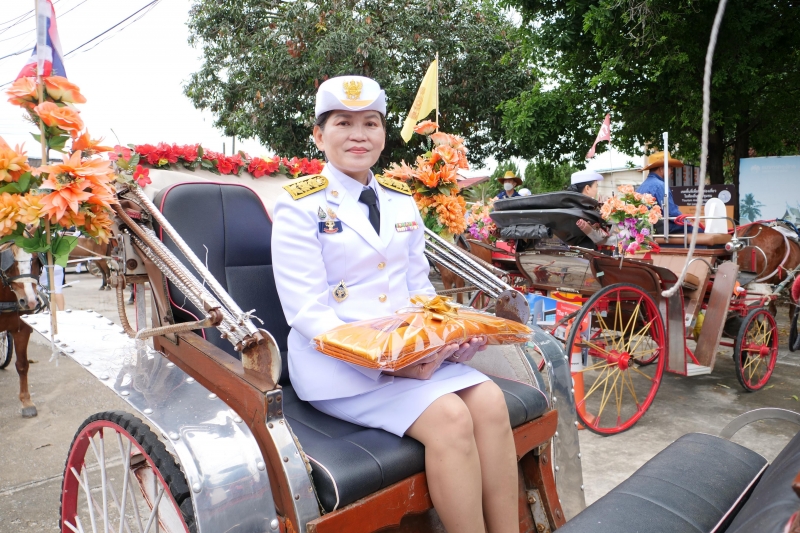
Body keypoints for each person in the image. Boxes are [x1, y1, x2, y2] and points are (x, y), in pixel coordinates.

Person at [272, 76, 518, 533]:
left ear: (384, 133)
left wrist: (449, 335)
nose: (358, 134)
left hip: (412, 354)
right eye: (343, 123)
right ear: (318, 135)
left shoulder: (400, 199)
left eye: (370, 122)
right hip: (342, 369)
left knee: (489, 401)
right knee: (450, 418)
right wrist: (388, 363)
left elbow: (418, 289)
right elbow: (308, 312)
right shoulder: (299, 204)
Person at [637, 151, 702, 234]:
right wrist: (688, 223)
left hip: (647, 229)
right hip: (662, 228)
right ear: (661, 169)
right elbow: (672, 213)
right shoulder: (660, 185)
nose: (671, 172)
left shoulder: (641, 187)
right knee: (700, 232)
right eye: (670, 168)